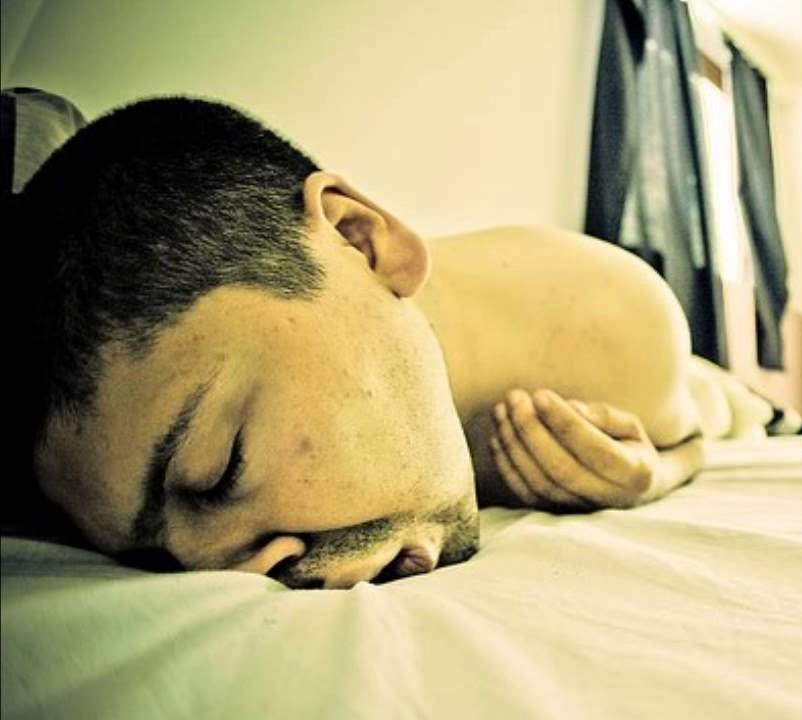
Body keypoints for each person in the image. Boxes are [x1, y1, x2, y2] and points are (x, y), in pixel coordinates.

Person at [17, 97, 711, 590]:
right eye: (158, 557)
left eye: (219, 469)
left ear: (359, 241)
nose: (242, 572)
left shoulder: (609, 322)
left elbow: (694, 435)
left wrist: (656, 471)